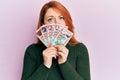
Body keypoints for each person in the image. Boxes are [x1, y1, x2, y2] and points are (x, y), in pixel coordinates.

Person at [21, 1, 91, 80]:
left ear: (66, 21)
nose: (57, 23)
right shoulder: (32, 51)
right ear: (43, 24)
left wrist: (64, 63)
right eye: (50, 19)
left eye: (61, 18)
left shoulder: (80, 49)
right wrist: (45, 65)